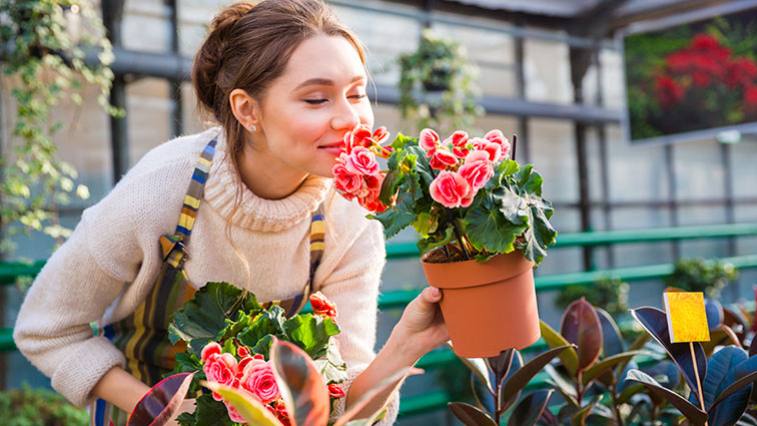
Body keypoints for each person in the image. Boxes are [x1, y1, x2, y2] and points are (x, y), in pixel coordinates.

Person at [13, 0, 449, 424]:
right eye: (317, 99)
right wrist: (170, 411)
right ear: (247, 109)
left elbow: (340, 406)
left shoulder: (352, 217)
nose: (350, 118)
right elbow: (45, 328)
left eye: (356, 93)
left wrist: (406, 345)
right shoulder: (162, 188)